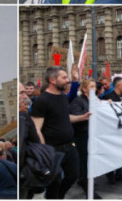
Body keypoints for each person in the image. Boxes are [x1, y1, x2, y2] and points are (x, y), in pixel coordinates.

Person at [31, 66, 91, 199]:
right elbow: (36, 128)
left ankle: (59, 196)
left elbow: (65, 117)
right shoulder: (42, 100)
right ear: (53, 80)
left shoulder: (63, 97)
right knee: (54, 181)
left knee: (73, 175)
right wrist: (44, 151)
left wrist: (82, 117)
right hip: (53, 149)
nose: (67, 80)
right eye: (64, 78)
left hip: (69, 145)